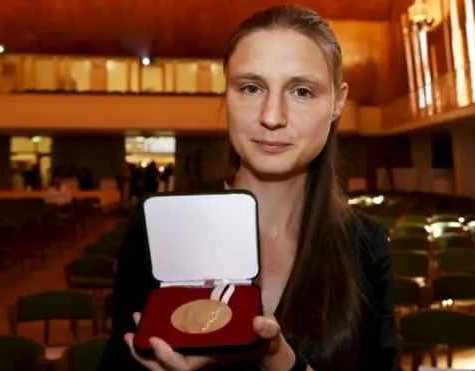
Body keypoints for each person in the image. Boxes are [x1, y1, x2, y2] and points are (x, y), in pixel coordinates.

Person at [98, 5, 397, 371]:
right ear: (227, 93)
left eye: (301, 91)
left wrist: (279, 360)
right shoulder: (163, 224)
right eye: (251, 87)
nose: (272, 116)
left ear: (338, 102)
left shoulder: (365, 243)